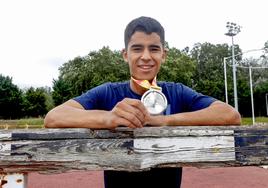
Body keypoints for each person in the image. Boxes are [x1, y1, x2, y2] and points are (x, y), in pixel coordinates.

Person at [44, 16, 241, 188]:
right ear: (125, 54)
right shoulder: (108, 92)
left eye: (154, 49)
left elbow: (230, 115)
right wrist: (108, 118)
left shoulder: (177, 92)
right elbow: (53, 117)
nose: (145, 57)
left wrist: (164, 121)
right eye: (137, 48)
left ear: (163, 55)